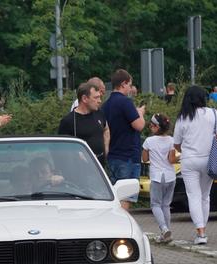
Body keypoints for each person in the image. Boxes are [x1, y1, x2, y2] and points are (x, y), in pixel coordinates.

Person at [173, 85, 217, 245]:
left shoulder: (182, 117)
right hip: (209, 159)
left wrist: (185, 149)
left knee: (193, 196)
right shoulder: (213, 114)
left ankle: (200, 233)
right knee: (205, 196)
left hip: (189, 160)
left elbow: (176, 144)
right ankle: (204, 229)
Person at [102, 69, 146, 210]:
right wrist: (140, 113)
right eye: (129, 85)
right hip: (128, 156)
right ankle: (123, 230)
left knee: (115, 196)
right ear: (123, 84)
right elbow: (139, 125)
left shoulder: (105, 105)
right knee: (126, 197)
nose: (130, 88)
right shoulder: (126, 102)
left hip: (113, 155)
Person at [142, 114, 176, 243]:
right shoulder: (171, 140)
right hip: (170, 176)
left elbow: (144, 159)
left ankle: (163, 229)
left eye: (151, 125)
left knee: (155, 204)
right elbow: (171, 160)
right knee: (166, 205)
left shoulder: (149, 141)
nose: (150, 126)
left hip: (157, 177)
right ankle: (166, 234)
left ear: (157, 127)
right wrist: (179, 158)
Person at [58, 82, 110, 166]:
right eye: (96, 98)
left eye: (100, 97)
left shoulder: (99, 113)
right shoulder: (68, 121)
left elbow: (106, 129)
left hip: (100, 168)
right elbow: (61, 149)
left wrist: (106, 148)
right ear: (85, 98)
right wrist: (76, 153)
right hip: (80, 170)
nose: (100, 101)